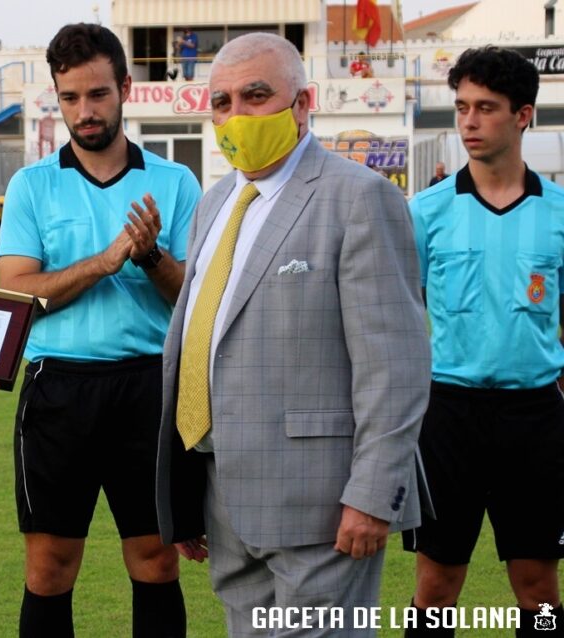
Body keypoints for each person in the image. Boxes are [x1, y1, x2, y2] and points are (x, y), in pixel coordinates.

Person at [155, 32, 431, 637]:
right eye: (222, 102)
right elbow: (205, 342)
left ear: (304, 103)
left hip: (325, 506)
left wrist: (372, 493)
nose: (236, 116)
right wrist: (185, 490)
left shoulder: (361, 198)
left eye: (256, 96)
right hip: (224, 496)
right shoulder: (215, 202)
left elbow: (396, 365)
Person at [0, 23, 201, 638]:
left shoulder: (174, 182)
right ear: (56, 97)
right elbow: (14, 294)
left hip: (148, 387)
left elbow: (193, 299)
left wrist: (149, 258)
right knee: (50, 565)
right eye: (69, 98)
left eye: (97, 95)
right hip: (58, 389)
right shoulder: (32, 185)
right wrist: (103, 262)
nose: (84, 112)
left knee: (156, 558)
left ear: (126, 89)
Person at [403, 46, 564, 637]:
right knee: (437, 584)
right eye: (462, 106)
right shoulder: (425, 212)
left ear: (523, 115)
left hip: (535, 417)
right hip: (448, 415)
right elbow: (397, 319)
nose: (468, 121)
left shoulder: (560, 214)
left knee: (539, 587)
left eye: (486, 108)